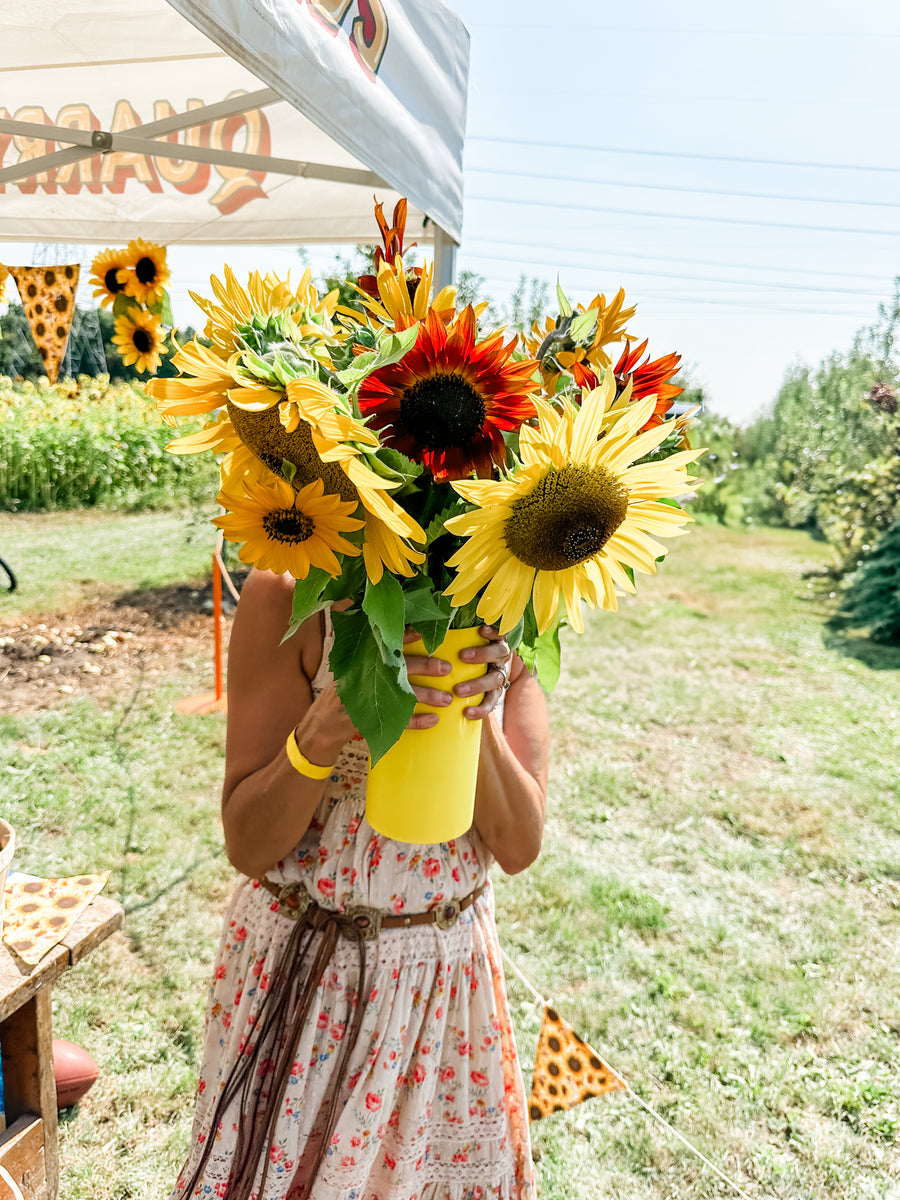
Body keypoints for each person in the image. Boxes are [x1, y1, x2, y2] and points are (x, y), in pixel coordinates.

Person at [172, 566, 549, 1200]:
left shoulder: (506, 594)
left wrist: (471, 711)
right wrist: (324, 728)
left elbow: (518, 846)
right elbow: (248, 842)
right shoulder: (293, 592)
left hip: (444, 984)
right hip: (309, 979)